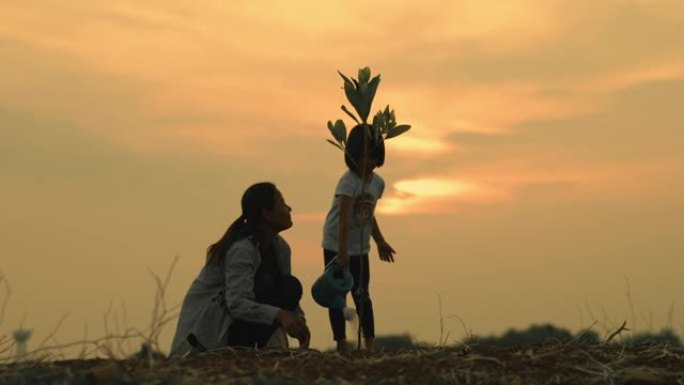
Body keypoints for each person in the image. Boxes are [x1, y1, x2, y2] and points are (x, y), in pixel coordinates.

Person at [169, 182, 310, 358]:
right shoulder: (242, 248)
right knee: (273, 285)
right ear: (267, 214)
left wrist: (298, 320)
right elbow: (237, 303)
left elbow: (286, 295)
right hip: (213, 328)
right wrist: (281, 315)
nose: (289, 208)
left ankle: (255, 351)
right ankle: (241, 350)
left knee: (289, 286)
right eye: (282, 204)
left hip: (242, 321)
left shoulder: (281, 248)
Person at [321, 124, 397, 353]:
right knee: (337, 295)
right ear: (352, 156)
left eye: (373, 157)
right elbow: (344, 219)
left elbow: (368, 215)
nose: (368, 162)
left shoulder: (377, 183)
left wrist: (380, 242)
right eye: (363, 157)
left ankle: (369, 345)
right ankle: (342, 345)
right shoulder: (348, 182)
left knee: (362, 294)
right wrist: (342, 251)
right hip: (336, 244)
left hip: (361, 249)